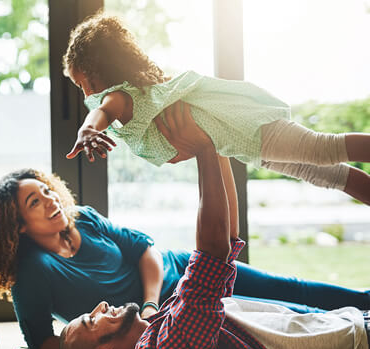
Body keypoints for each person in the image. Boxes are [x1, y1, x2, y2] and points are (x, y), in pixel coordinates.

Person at [0, 106, 370, 349]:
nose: (51, 199)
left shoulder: (82, 219)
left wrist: (148, 304)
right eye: (35, 202)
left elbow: (146, 250)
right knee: (288, 319)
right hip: (176, 320)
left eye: (47, 190)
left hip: (184, 273)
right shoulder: (32, 271)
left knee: (294, 289)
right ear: (16, 225)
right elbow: (43, 344)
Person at [59, 114, 370, 349]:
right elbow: (211, 253)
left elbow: (227, 239)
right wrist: (203, 149)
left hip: (349, 328)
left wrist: (216, 147)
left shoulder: (158, 332)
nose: (100, 305)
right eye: (91, 320)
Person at [62, 11, 370, 206]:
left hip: (247, 127)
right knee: (327, 174)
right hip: (244, 142)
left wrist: (88, 130)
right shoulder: (144, 94)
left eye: (82, 84)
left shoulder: (120, 98)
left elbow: (101, 113)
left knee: (322, 148)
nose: (85, 93)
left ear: (98, 70)